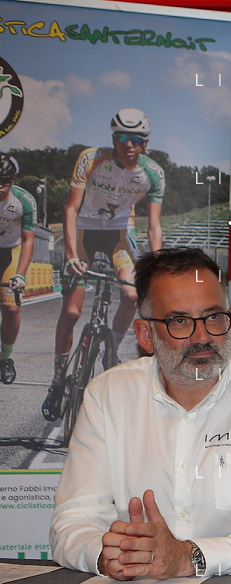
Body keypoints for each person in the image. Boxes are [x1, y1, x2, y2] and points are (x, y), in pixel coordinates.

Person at [50, 247, 231, 580]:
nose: (202, 336)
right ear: (145, 335)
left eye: (213, 317)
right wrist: (110, 555)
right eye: (179, 321)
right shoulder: (107, 395)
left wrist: (189, 556)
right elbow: (73, 521)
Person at [44, 108, 164, 421]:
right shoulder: (91, 158)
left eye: (136, 138)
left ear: (145, 142)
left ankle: (110, 351)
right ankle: (57, 380)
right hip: (85, 232)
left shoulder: (153, 174)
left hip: (118, 236)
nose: (128, 144)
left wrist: (158, 266)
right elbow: (70, 209)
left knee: (131, 294)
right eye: (122, 137)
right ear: (113, 138)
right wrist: (71, 254)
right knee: (72, 312)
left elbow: (153, 227)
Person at [0, 153, 36, 385]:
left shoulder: (24, 201)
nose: (0, 186)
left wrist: (20, 275)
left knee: (11, 309)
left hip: (10, 252)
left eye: (5, 181)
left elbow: (29, 241)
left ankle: (5, 358)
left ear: (13, 181)